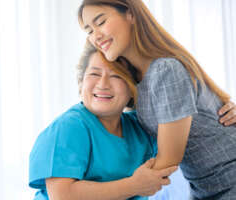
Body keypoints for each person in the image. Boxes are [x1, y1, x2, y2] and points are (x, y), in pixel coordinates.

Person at [28, 42, 236, 200]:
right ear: (81, 83)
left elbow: (182, 120)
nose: (103, 84)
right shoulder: (68, 128)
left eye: (117, 77)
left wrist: (222, 111)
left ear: (132, 90)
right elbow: (62, 195)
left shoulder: (140, 127)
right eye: (94, 74)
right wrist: (133, 186)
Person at [78, 0, 236, 199]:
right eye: (89, 31)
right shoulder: (135, 81)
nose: (96, 36)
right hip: (205, 188)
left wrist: (100, 191)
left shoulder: (165, 70)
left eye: (100, 22)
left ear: (131, 14)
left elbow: (167, 162)